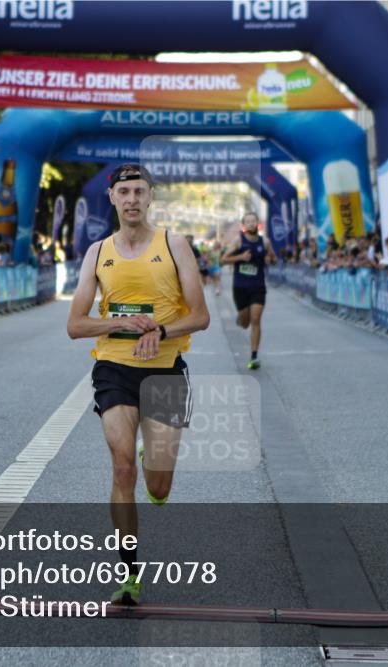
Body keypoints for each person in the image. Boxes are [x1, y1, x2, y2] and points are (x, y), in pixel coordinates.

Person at [66, 163, 209, 606]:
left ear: (151, 198)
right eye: (124, 191)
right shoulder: (97, 252)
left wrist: (161, 330)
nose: (131, 199)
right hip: (114, 369)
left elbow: (200, 316)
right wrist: (119, 323)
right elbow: (75, 325)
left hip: (165, 370)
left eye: (139, 191)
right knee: (122, 467)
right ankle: (128, 573)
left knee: (159, 487)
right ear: (112, 198)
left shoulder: (173, 244)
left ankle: (154, 456)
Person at [221, 212, 276, 370]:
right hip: (240, 288)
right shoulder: (239, 241)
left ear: (258, 223)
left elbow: (274, 259)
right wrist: (240, 258)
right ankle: (241, 317)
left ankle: (254, 356)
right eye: (248, 221)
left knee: (256, 320)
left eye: (253, 221)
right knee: (245, 323)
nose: (251, 223)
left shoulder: (265, 241)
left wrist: (270, 259)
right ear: (244, 225)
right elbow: (223, 260)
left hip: (258, 287)